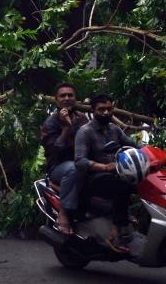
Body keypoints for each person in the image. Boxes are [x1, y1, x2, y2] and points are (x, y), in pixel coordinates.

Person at [74, 93, 139, 252]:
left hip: (116, 175)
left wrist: (154, 151)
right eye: (101, 109)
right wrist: (103, 167)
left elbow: (133, 145)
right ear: (93, 110)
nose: (105, 112)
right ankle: (118, 230)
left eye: (109, 109)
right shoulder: (85, 131)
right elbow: (79, 161)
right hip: (94, 178)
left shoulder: (115, 129)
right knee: (122, 186)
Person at [40, 82, 88, 235]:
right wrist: (66, 128)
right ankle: (64, 212)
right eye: (63, 95)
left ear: (75, 99)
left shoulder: (82, 119)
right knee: (74, 168)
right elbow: (54, 151)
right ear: (56, 100)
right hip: (59, 167)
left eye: (70, 95)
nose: (67, 98)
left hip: (84, 163)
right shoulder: (51, 123)